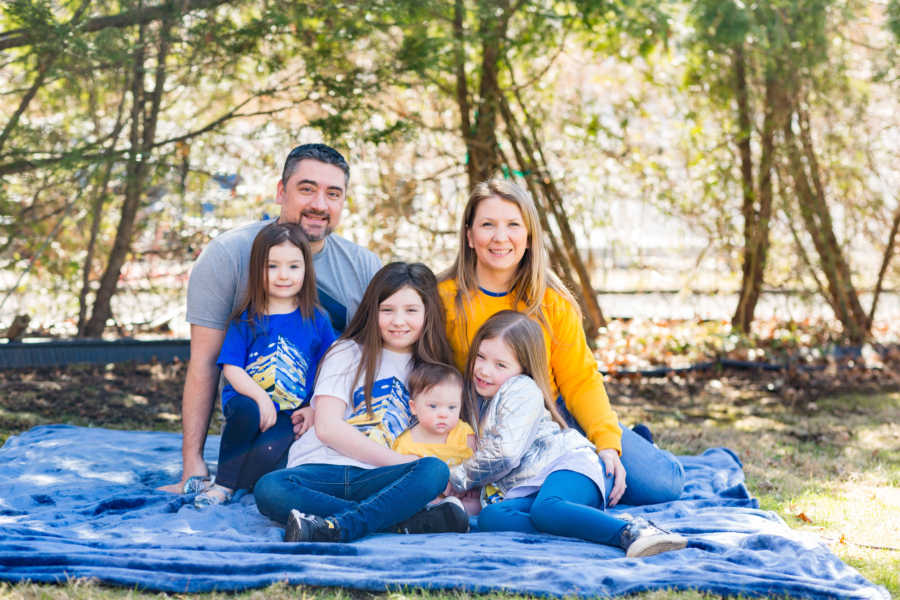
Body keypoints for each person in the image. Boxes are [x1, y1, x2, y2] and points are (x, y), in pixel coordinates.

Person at [439, 179, 684, 507]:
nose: (500, 237)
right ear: (469, 236)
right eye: (487, 225)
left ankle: (631, 439)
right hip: (486, 422)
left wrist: (607, 442)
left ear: (528, 237)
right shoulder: (444, 299)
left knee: (661, 486)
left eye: (513, 225)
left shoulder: (551, 302)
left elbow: (580, 380)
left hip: (555, 416)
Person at [160, 143, 381, 494]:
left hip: (330, 423)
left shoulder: (364, 268)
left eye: (333, 194)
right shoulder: (227, 256)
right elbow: (204, 363)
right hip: (258, 416)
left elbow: (378, 360)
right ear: (281, 191)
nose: (320, 205)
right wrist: (193, 464)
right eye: (307, 189)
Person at [253, 262, 469, 542]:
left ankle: (334, 526)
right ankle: (401, 523)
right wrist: (399, 461)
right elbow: (328, 428)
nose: (398, 321)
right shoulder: (347, 351)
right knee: (270, 488)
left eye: (411, 310)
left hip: (378, 480)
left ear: (429, 314)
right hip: (322, 468)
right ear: (372, 311)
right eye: (387, 310)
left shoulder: (434, 372)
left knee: (434, 470)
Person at [450, 310, 687, 557]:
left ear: (524, 369)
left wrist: (457, 477)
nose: (485, 370)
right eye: (480, 357)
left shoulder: (521, 389)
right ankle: (579, 527)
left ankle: (632, 531)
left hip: (570, 466)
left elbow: (506, 454)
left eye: (500, 364)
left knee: (546, 509)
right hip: (535, 486)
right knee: (493, 517)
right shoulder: (480, 399)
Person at [187, 222, 336, 506]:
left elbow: (330, 367)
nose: (284, 276)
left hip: (289, 411)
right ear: (258, 270)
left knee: (268, 454)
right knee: (245, 412)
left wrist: (314, 406)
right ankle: (223, 484)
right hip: (246, 403)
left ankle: (245, 479)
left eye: (293, 266)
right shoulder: (246, 318)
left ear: (306, 270)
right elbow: (231, 367)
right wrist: (260, 399)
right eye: (272, 266)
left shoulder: (317, 319)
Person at [392, 363, 480, 515]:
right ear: (413, 407)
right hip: (428, 497)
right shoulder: (406, 444)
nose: (443, 414)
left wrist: (470, 487)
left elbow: (476, 463)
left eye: (452, 407)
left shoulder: (463, 432)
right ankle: (438, 515)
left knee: (476, 504)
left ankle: (453, 515)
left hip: (461, 494)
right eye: (433, 406)